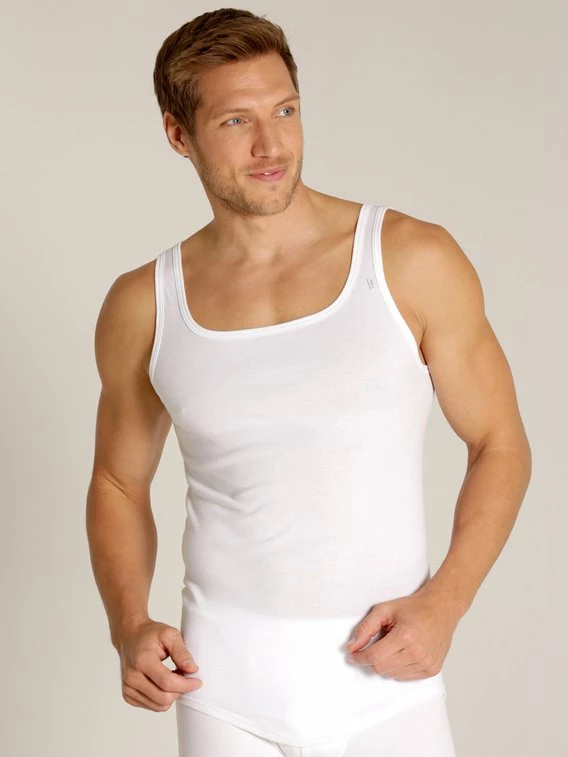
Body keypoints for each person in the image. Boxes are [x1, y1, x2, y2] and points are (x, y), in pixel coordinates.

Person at [86, 8, 532, 757]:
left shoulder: (410, 260)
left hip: (386, 679)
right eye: (236, 121)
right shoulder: (145, 305)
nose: (271, 145)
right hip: (223, 686)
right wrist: (128, 623)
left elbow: (500, 441)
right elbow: (117, 482)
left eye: (285, 111)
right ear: (178, 134)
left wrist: (446, 601)